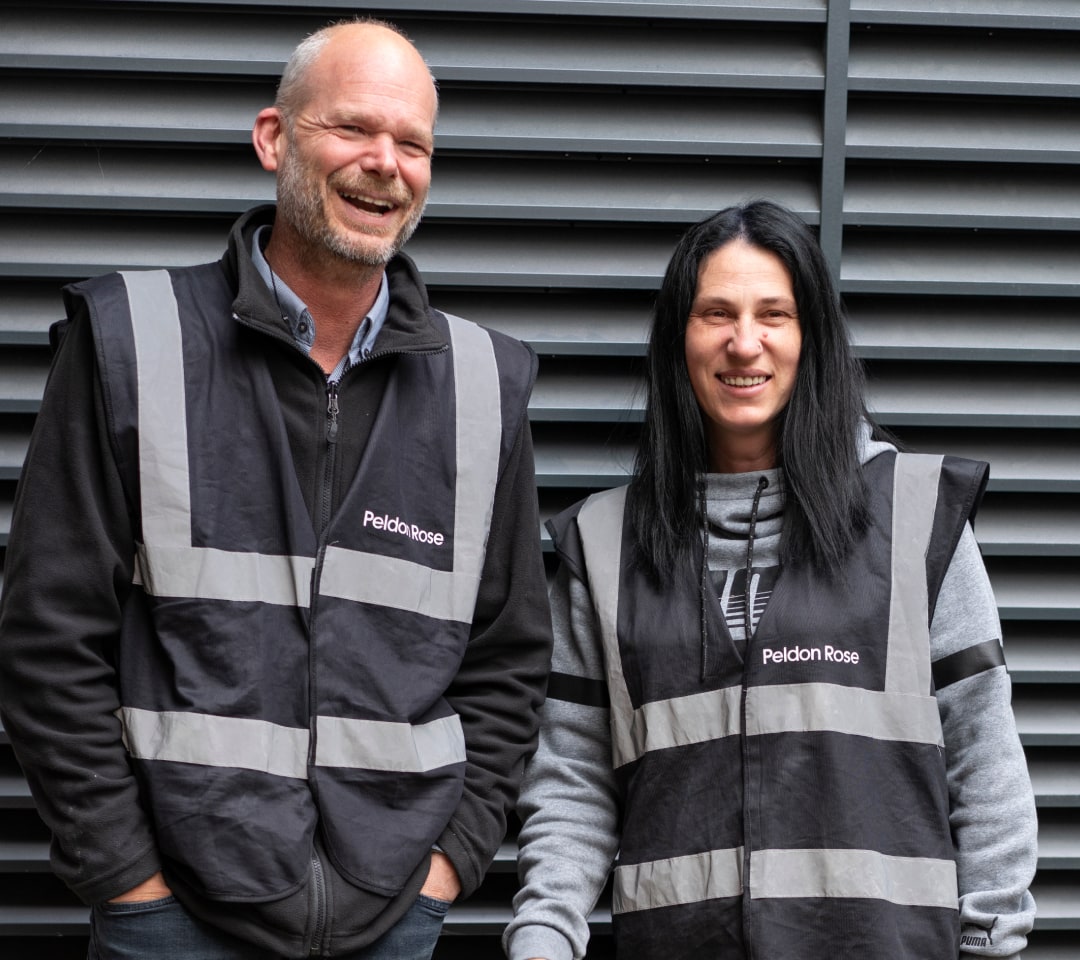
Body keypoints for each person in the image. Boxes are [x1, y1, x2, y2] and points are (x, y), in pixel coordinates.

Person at [0, 18, 553, 960]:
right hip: (170, 921)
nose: (385, 163)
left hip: (391, 916)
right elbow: (48, 639)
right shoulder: (136, 341)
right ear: (274, 138)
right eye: (353, 129)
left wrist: (448, 864)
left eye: (412, 143)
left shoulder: (481, 384)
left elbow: (508, 661)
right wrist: (126, 876)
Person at [504, 200, 1037, 960]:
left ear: (810, 335)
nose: (743, 342)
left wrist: (992, 942)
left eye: (774, 314)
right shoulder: (605, 543)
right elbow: (572, 785)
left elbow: (984, 761)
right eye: (715, 313)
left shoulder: (917, 517)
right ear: (678, 341)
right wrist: (542, 939)